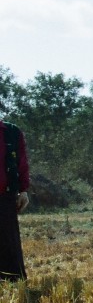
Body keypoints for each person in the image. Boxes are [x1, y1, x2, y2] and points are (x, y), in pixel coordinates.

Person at [1, 120, 30, 281]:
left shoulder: (11, 132)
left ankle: (14, 286)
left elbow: (22, 163)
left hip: (5, 197)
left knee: (9, 245)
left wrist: (23, 190)